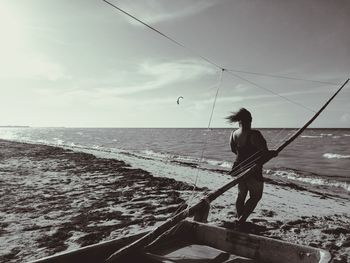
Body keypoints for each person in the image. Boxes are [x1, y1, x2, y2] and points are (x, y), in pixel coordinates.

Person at [226, 108, 277, 225]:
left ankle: (240, 219)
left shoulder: (233, 134)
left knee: (241, 194)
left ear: (239, 121)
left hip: (239, 167)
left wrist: (244, 158)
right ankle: (242, 220)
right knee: (255, 196)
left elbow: (234, 150)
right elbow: (264, 153)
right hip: (253, 169)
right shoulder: (255, 134)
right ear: (250, 120)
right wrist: (273, 154)